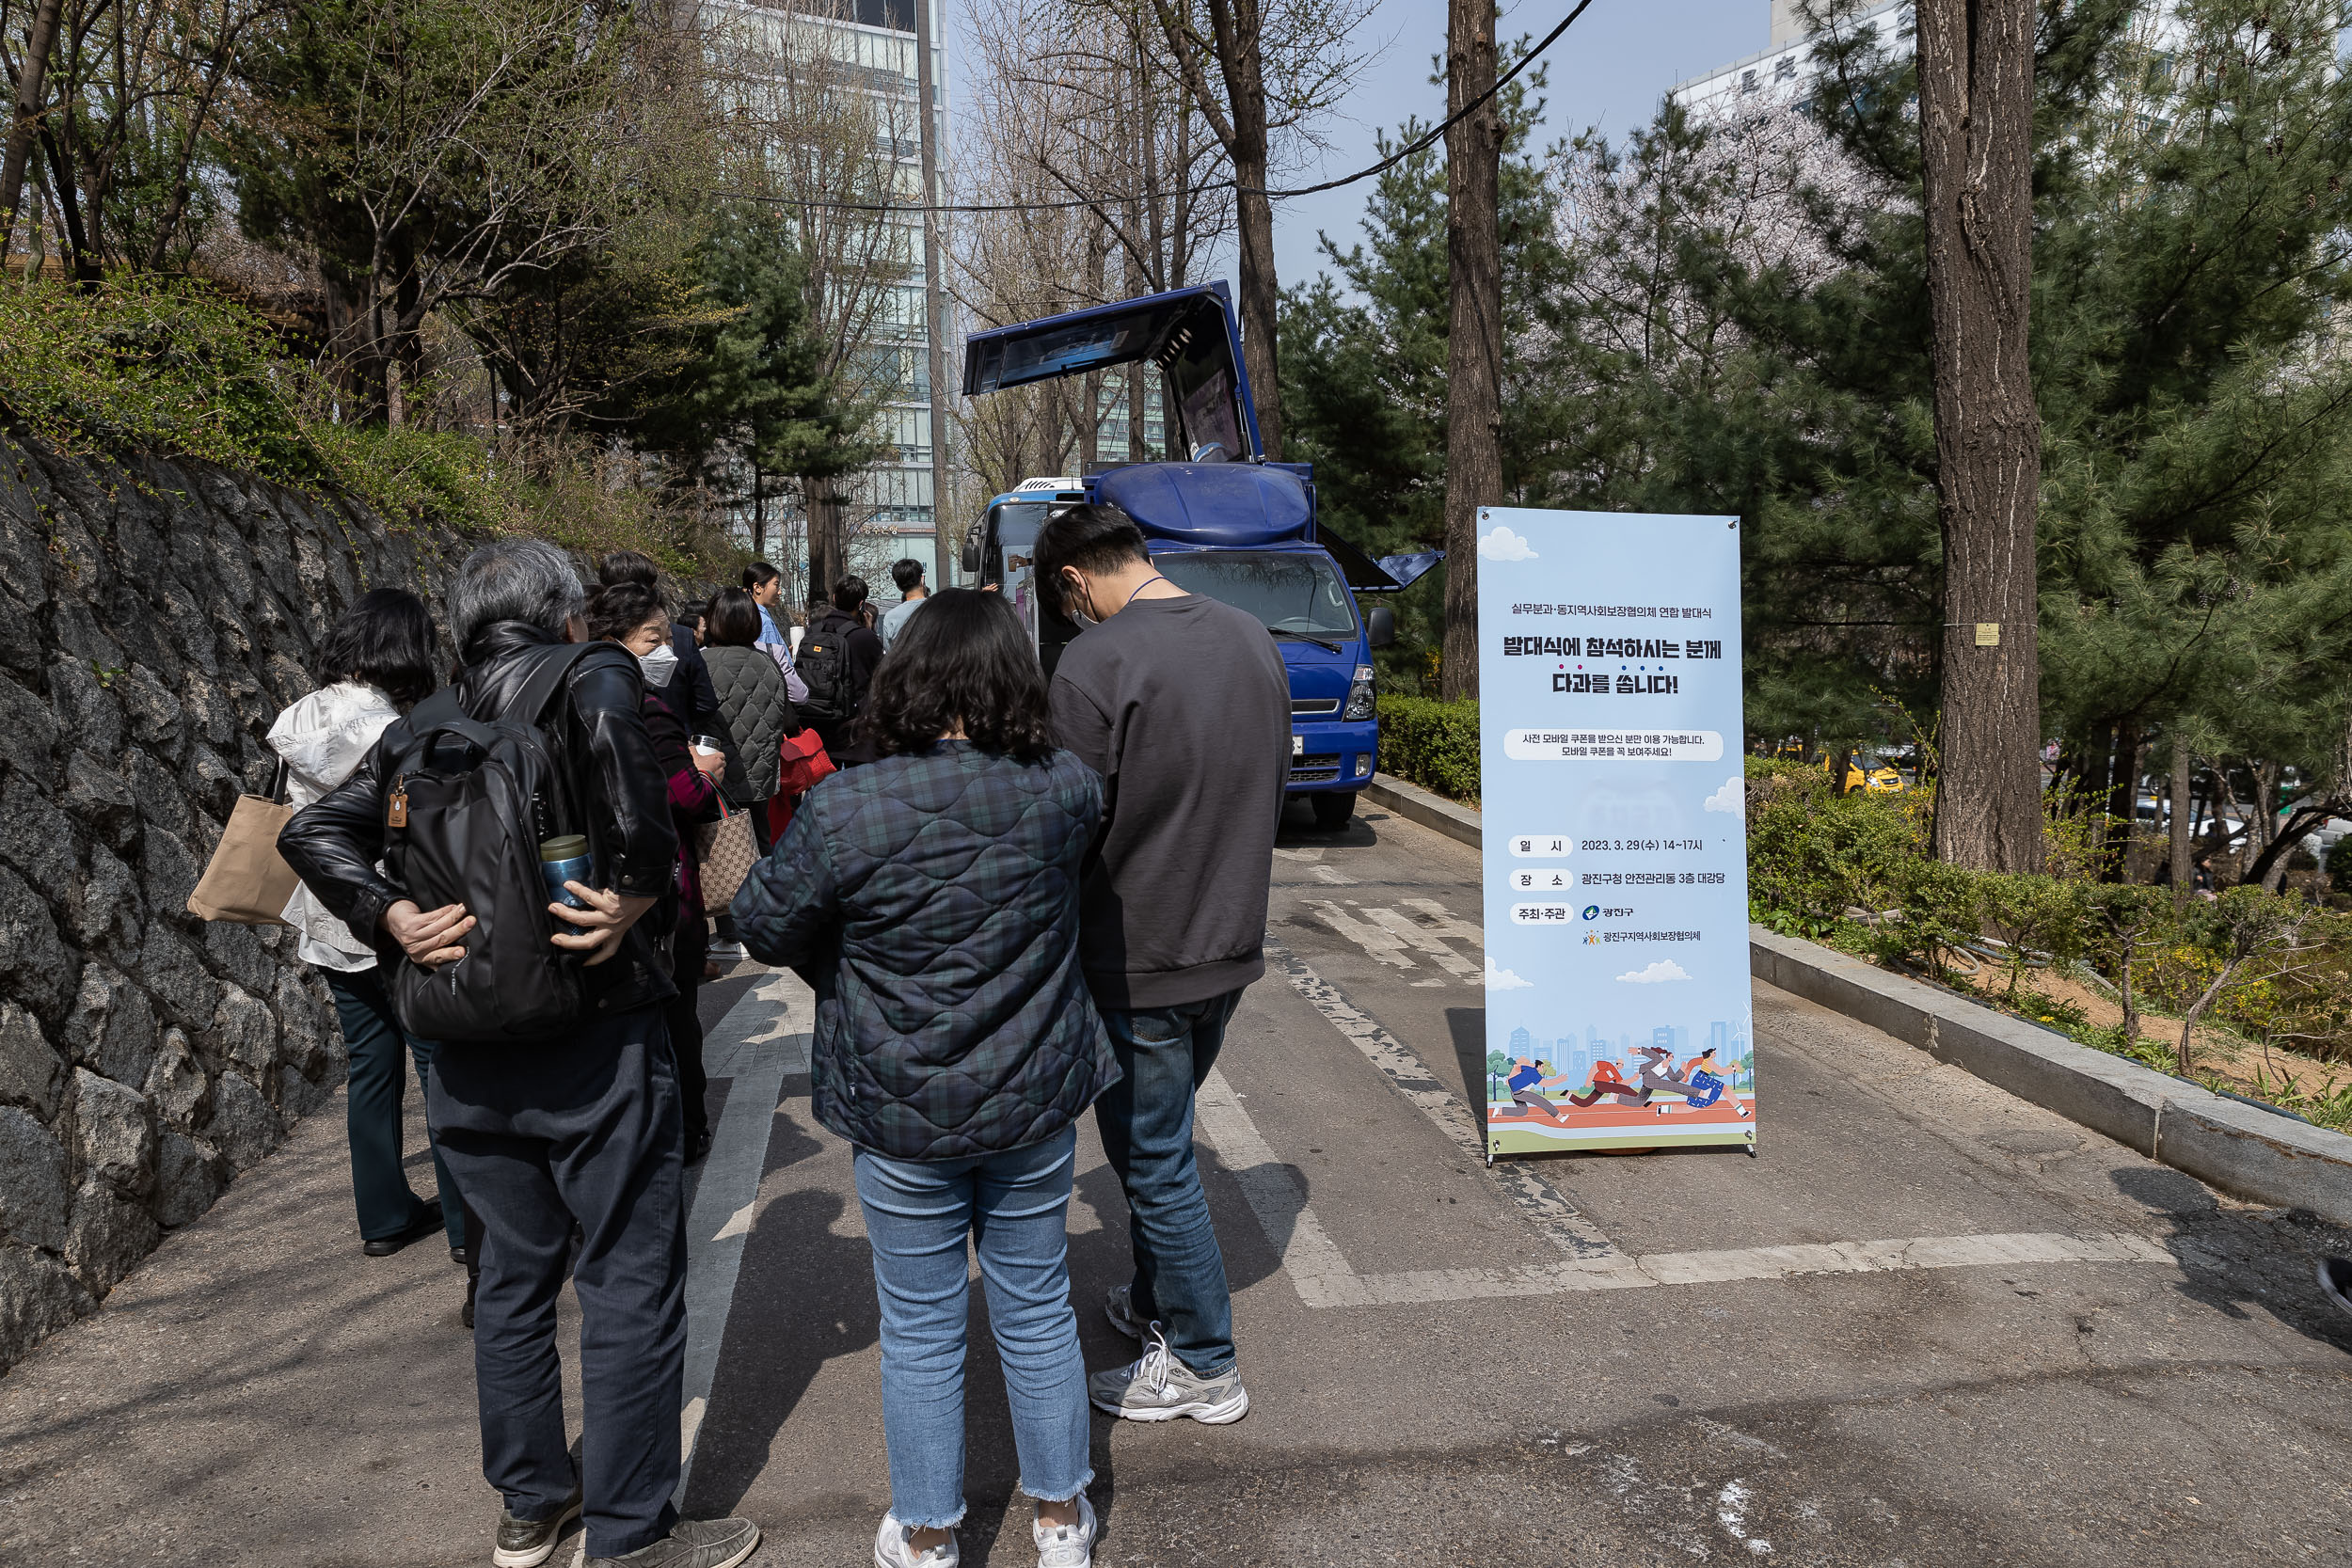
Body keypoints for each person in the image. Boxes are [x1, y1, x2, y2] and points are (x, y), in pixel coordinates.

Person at [278, 540, 758, 1568]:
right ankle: (631, 1531)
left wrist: (391, 914)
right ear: (562, 611)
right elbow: (639, 820)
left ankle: (529, 1506)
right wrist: (633, 893)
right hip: (594, 1034)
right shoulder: (590, 677)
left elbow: (313, 829)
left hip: (460, 1037)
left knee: (508, 1278)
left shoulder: (421, 725)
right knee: (628, 1276)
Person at [732, 588, 1115, 1568]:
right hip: (1032, 1094)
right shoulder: (1066, 786)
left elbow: (766, 925)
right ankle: (1061, 1519)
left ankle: (932, 1528)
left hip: (901, 1107)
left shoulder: (846, 806)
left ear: (906, 679)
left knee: (919, 1323)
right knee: (1035, 1306)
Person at [1030, 501, 1288, 1426]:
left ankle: (1204, 1364)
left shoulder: (1091, 662)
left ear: (1072, 581)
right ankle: (1156, 1302)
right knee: (1163, 1141)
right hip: (1229, 940)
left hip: (1135, 952)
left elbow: (1066, 826)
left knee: (1153, 1160)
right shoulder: (1252, 637)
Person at [266, 589, 464, 1264]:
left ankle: (382, 1215)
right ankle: (471, 1230)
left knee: (371, 1069)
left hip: (328, 916)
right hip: (397, 916)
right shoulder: (392, 729)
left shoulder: (297, 716)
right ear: (406, 648)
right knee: (442, 1069)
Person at [588, 581, 727, 1166]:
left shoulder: (572, 706)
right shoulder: (647, 713)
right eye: (653, 638)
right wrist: (708, 772)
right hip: (663, 893)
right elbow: (685, 799)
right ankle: (688, 1128)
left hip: (595, 888)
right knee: (676, 1014)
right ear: (613, 642)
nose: (665, 650)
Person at [701, 587, 801, 852]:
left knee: (720, 852)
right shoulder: (768, 663)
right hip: (760, 775)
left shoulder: (701, 662)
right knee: (760, 842)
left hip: (714, 776)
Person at [597, 551, 728, 748]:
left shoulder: (588, 641)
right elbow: (705, 704)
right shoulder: (684, 636)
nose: (664, 648)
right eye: (653, 640)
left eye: (667, 639)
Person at [800, 576, 884, 768]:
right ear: (861, 604)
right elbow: (881, 676)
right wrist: (870, 631)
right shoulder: (864, 637)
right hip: (855, 729)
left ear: (835, 599)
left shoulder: (813, 631)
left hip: (818, 723)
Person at [741, 561, 809, 702]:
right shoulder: (762, 620)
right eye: (776, 585)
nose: (779, 591)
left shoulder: (745, 614)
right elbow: (771, 664)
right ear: (758, 587)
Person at [880, 558, 930, 651]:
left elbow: (889, 652)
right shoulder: (939, 609)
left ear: (898, 587)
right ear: (922, 580)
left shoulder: (890, 617)